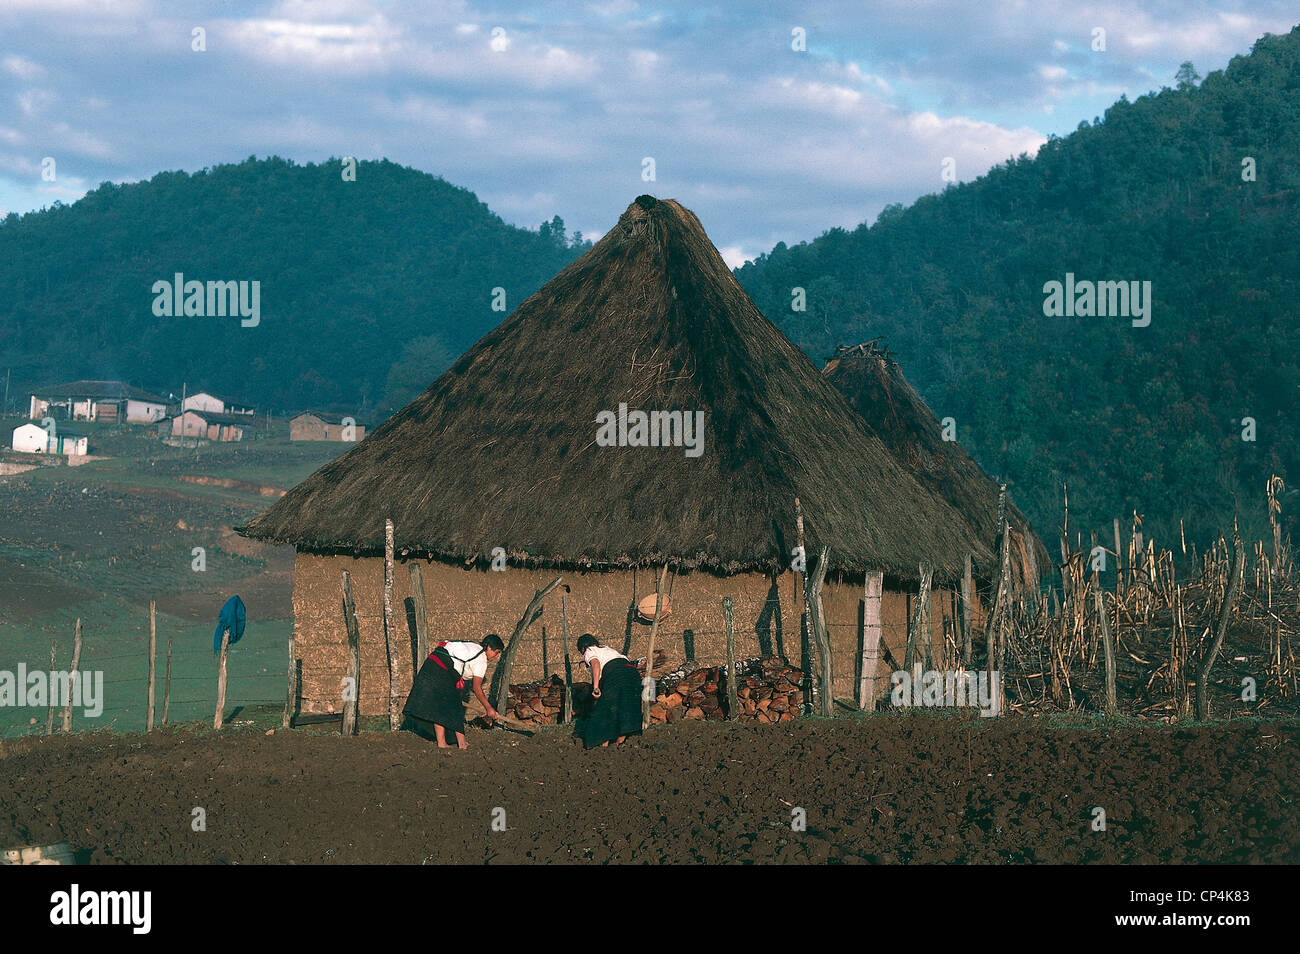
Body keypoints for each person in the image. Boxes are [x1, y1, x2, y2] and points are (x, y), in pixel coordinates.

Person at [403, 634, 504, 749]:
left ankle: (442, 743)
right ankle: (462, 744)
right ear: (489, 648)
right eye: (497, 652)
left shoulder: (473, 646)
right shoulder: (481, 660)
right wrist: (488, 708)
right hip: (443, 668)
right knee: (455, 707)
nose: (497, 656)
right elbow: (476, 687)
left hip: (432, 663)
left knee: (440, 706)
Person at [576, 634, 643, 748]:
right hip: (631, 673)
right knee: (626, 707)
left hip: (616, 674)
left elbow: (596, 664)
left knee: (604, 709)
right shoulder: (607, 649)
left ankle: (603, 744)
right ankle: (619, 742)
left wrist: (596, 688)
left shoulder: (589, 650)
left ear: (582, 648)